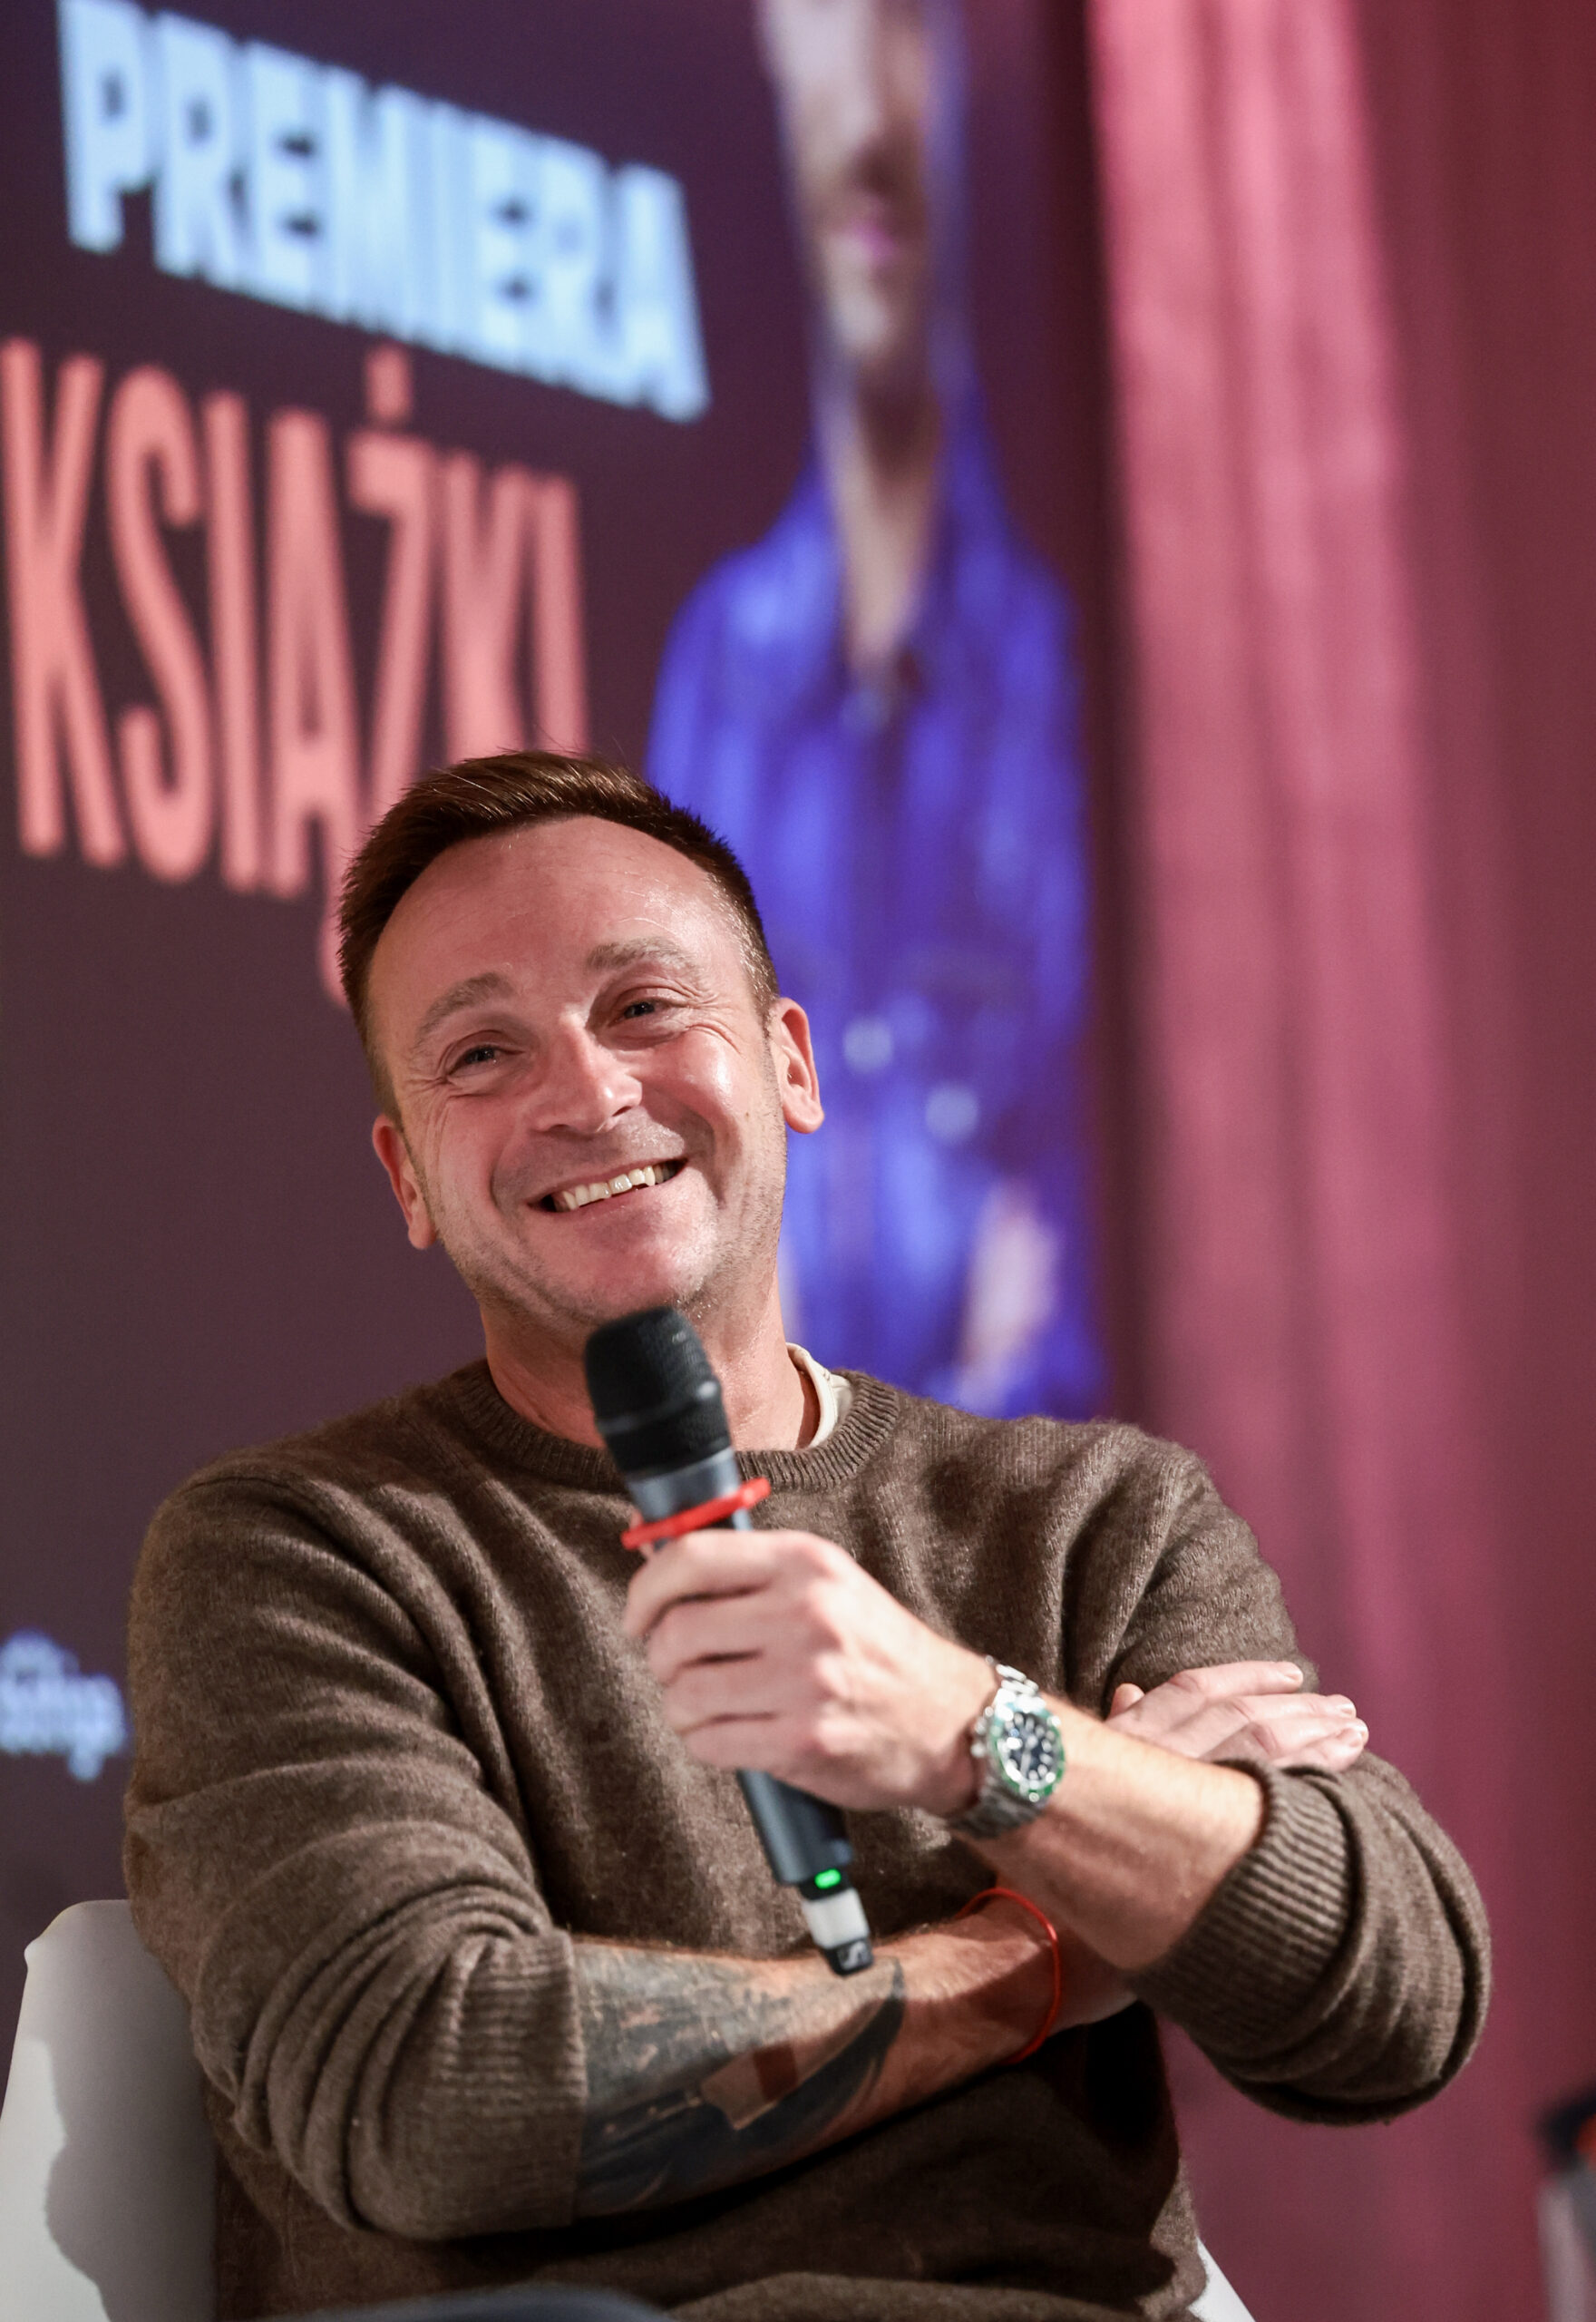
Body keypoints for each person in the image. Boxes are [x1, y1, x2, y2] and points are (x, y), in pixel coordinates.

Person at [124, 755, 1488, 2322]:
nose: (588, 1093)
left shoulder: (1092, 1519)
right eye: (483, 1052)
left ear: (790, 1063)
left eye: (645, 1005)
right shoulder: (301, 1555)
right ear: (409, 1178)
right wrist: (1035, 1954)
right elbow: (433, 2097)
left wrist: (975, 1734)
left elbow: (1392, 2002)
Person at [648, 0, 1097, 1417]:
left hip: (1021, 1525)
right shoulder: (722, 667)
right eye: (821, 35)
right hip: (776, 1509)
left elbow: (1079, 1253)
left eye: (899, 28)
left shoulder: (1066, 672)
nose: (864, 113)